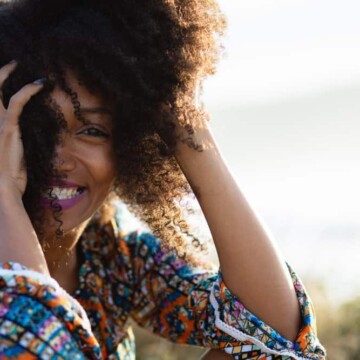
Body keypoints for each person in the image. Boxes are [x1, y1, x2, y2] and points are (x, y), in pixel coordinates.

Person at [0, 0, 325, 359]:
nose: (57, 159)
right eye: (36, 126)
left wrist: (185, 126)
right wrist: (4, 197)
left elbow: (277, 336)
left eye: (92, 130)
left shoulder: (110, 250)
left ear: (129, 148)